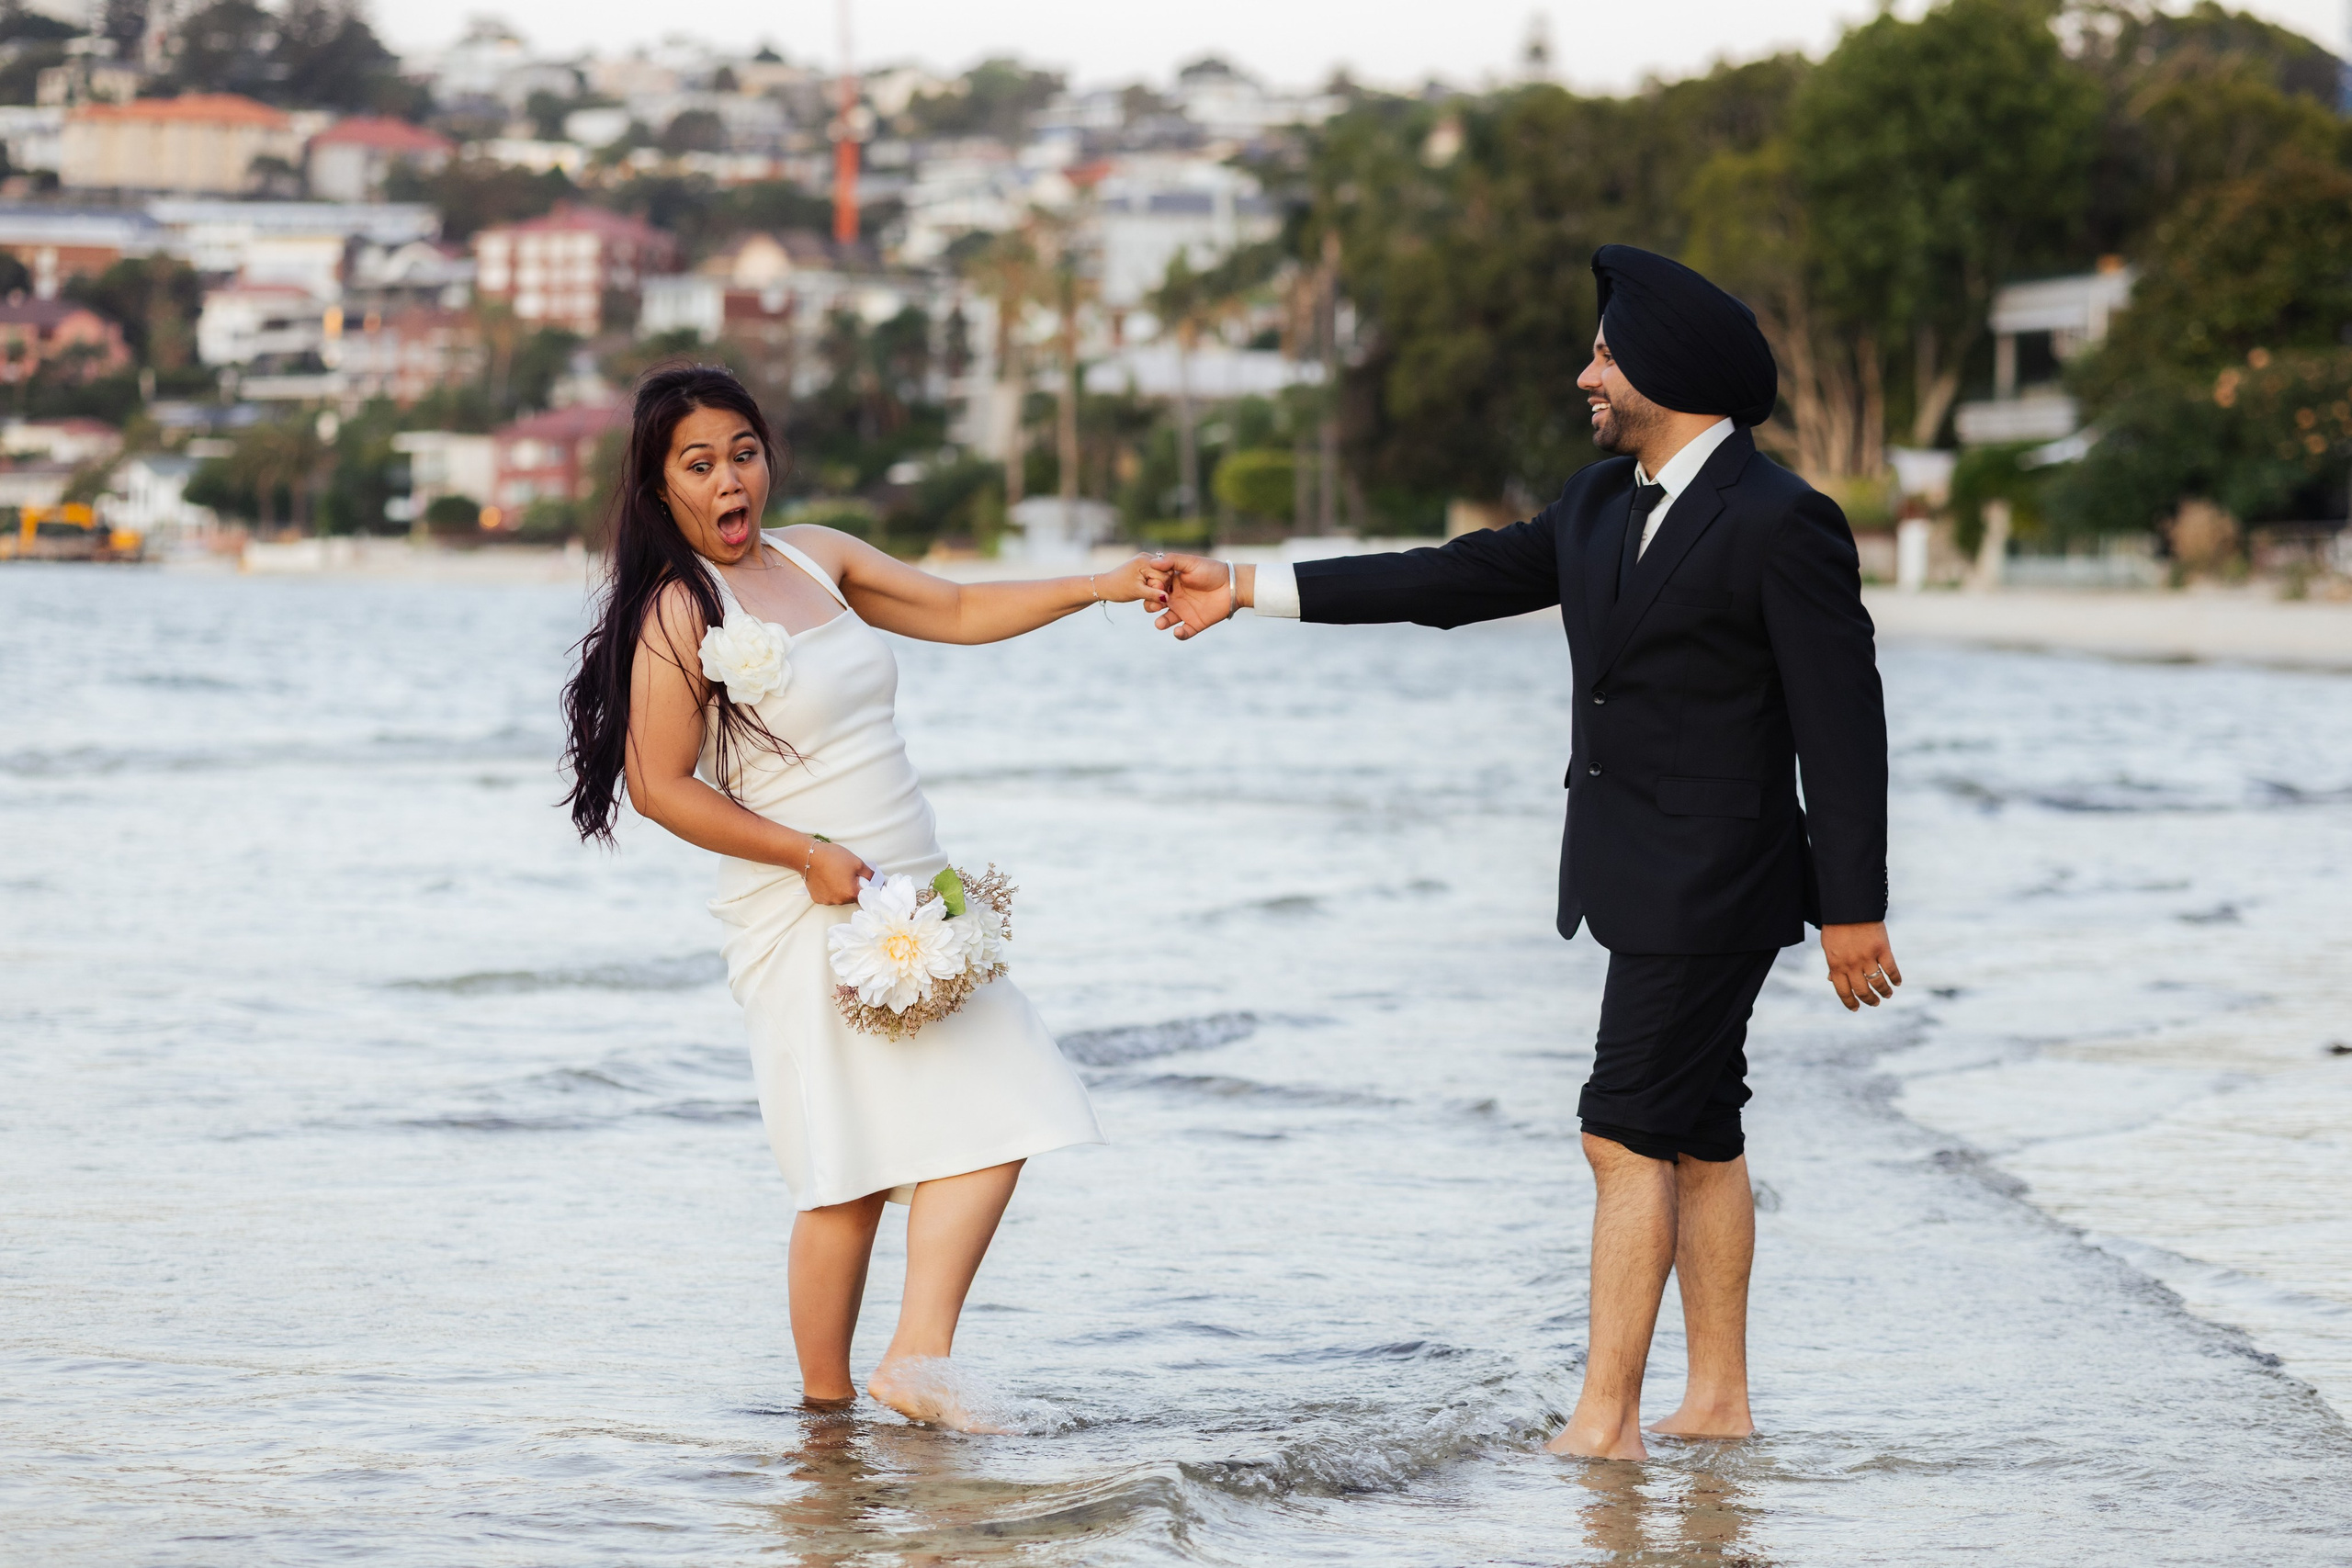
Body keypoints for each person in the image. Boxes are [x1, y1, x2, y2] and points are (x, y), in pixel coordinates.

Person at [1150, 246, 1900, 1461]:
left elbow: (1843, 723)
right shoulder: (1599, 502)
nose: (1584, 376)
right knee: (1698, 1129)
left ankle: (1604, 1423)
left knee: (1619, 1127)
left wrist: (1854, 905)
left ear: (1666, 368)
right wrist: (1243, 585)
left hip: (1720, 881)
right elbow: (1450, 578)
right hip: (1628, 870)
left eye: (1604, 355)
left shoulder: (1783, 520)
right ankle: (1716, 1400)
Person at [560, 364, 1168, 1432]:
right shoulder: (678, 610)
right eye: (698, 465)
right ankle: (825, 1426)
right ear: (659, 488)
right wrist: (804, 854)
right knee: (843, 1173)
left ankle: (914, 1362)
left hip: (913, 895)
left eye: (743, 453)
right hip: (803, 908)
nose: (729, 479)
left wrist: (1098, 586)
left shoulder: (818, 556)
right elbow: (657, 785)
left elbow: (959, 607)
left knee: (1010, 1103)